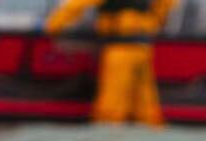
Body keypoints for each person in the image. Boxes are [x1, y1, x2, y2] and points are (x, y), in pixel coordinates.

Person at [43, 0, 177, 127]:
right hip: (142, 48)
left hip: (119, 50)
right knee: (145, 107)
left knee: (112, 107)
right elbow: (165, 5)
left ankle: (107, 137)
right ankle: (150, 137)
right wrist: (155, 21)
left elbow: (76, 5)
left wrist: (53, 27)